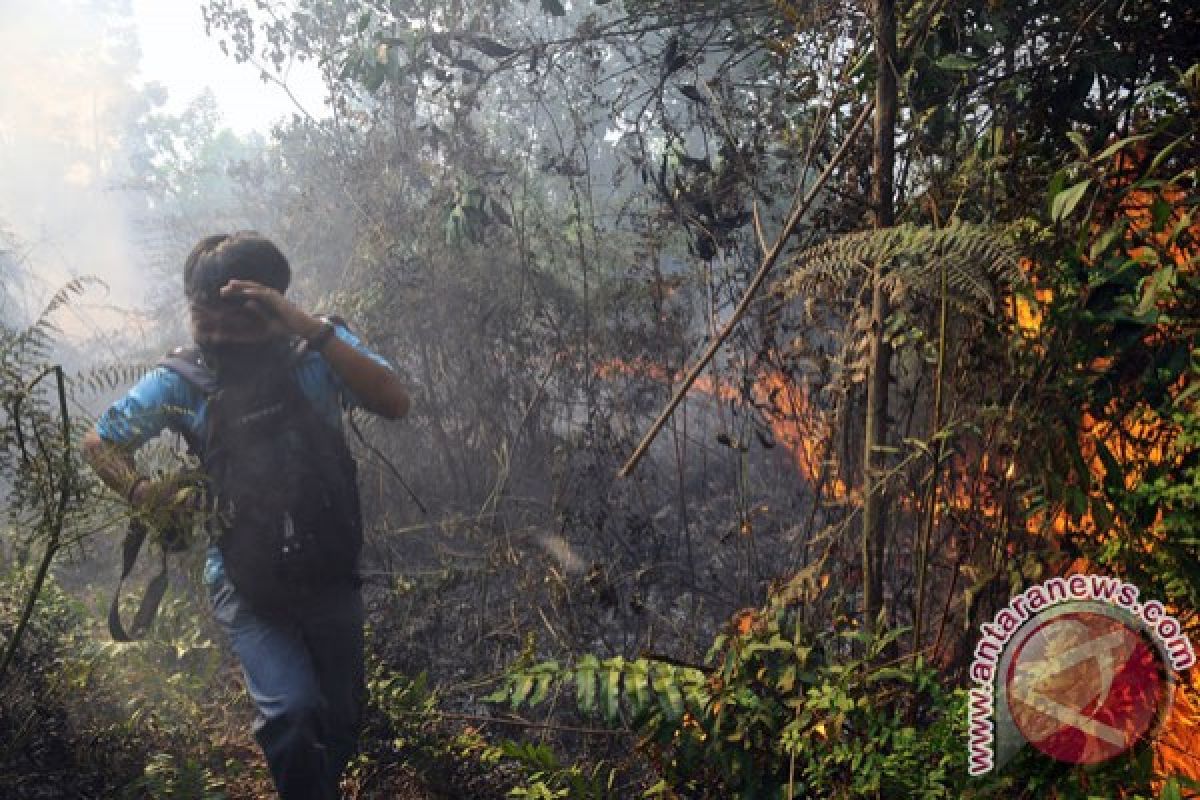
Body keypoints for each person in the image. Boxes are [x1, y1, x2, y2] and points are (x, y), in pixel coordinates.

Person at [81, 232, 409, 799]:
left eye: (234, 326)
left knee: (340, 718)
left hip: (330, 570)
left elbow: (394, 401)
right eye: (203, 323)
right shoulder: (183, 380)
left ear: (268, 307)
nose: (216, 339)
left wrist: (311, 328)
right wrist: (141, 492)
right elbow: (100, 442)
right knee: (291, 712)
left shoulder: (316, 353)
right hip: (244, 577)